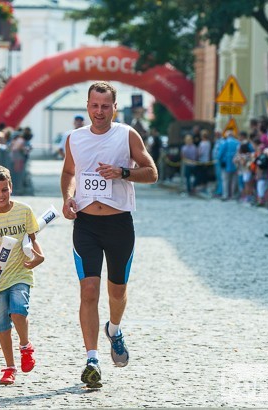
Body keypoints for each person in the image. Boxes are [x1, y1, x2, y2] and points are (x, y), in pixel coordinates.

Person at [60, 81, 158, 388]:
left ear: (114, 107)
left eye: (105, 106)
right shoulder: (75, 138)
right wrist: (68, 198)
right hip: (86, 225)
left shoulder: (126, 134)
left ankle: (114, 330)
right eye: (94, 105)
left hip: (118, 225)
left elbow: (152, 172)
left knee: (117, 292)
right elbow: (68, 173)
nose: (99, 111)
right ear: (87, 106)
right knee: (89, 290)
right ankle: (92, 359)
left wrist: (123, 173)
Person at [0, 165, 45, 385]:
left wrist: (39, 256)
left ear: (11, 187)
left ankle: (25, 346)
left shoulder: (24, 210)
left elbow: (33, 239)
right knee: (2, 326)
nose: (1, 195)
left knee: (18, 311)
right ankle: (9, 367)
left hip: (21, 272)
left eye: (4, 189)